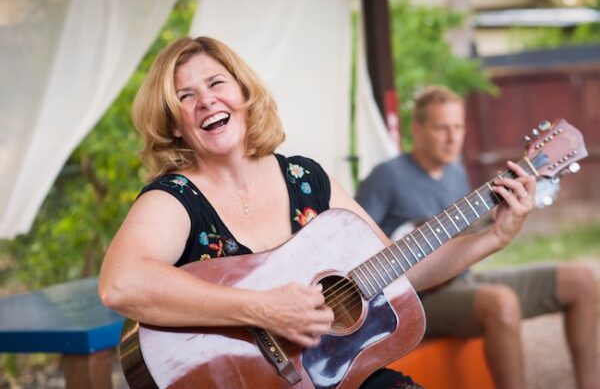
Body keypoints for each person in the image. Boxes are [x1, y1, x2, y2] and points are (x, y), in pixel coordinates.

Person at [98, 37, 535, 389]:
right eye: (185, 96)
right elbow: (121, 285)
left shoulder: (306, 179)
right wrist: (262, 309)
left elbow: (401, 269)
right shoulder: (175, 198)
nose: (206, 101)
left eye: (216, 84)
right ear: (174, 123)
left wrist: (492, 238)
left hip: (341, 377)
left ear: (243, 93)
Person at [355, 85, 599, 389]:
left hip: (461, 280)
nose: (453, 136)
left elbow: (469, 234)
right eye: (442, 127)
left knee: (581, 280)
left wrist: (506, 215)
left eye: (458, 126)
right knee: (501, 302)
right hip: (412, 297)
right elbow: (353, 244)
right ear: (417, 130)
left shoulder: (456, 173)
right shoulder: (386, 176)